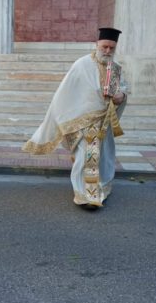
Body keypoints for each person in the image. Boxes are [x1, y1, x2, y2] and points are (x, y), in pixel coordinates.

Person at [23, 27, 127, 210]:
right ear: (97, 44)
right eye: (104, 47)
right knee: (88, 158)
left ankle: (101, 188)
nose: (107, 51)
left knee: (104, 157)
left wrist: (122, 96)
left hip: (105, 122)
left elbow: (122, 89)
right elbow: (66, 92)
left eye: (111, 48)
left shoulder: (115, 68)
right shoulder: (82, 64)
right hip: (85, 121)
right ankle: (86, 196)